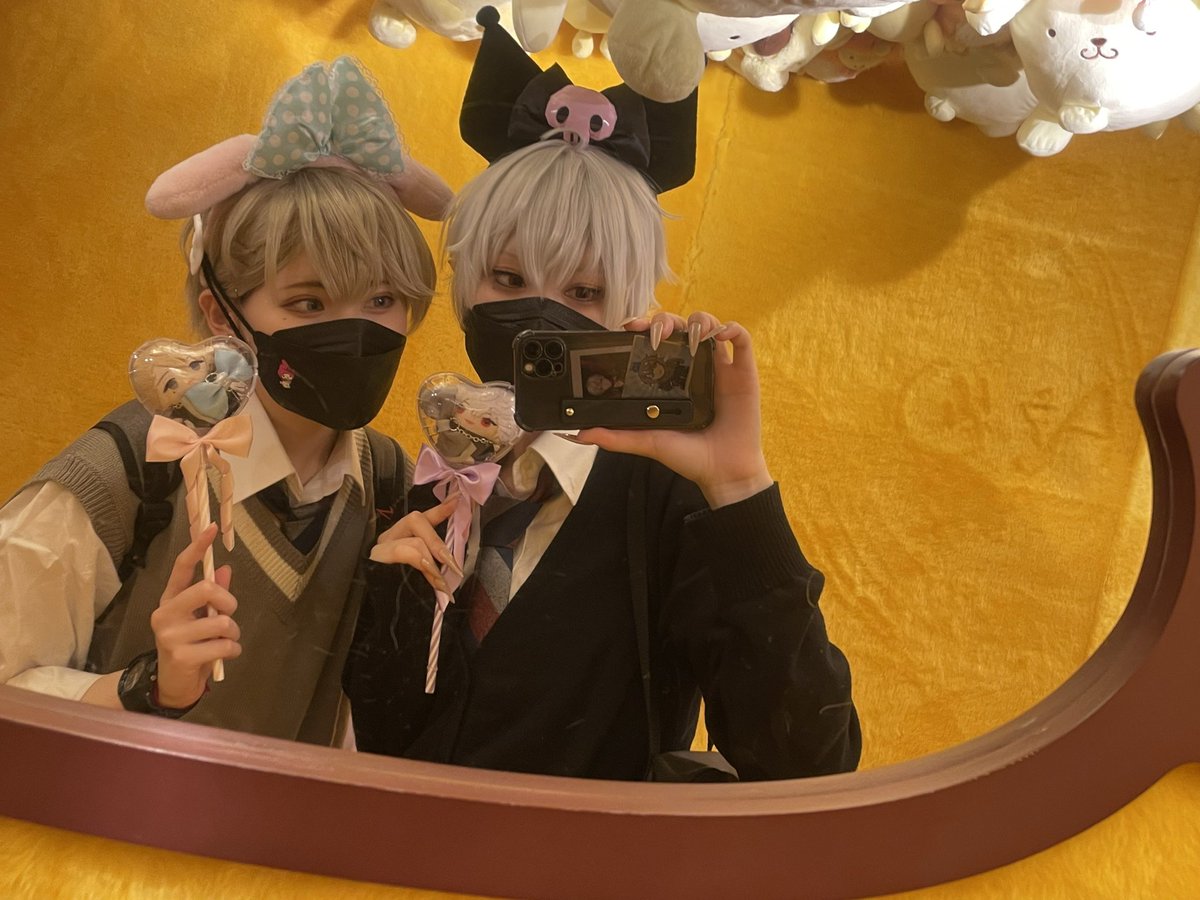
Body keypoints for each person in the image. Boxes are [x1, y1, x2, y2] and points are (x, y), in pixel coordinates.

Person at [344, 12, 861, 781]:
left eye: (583, 291)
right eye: (508, 279)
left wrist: (739, 489)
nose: (540, 314)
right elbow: (391, 740)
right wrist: (396, 610)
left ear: (628, 303)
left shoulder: (668, 503)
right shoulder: (432, 477)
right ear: (465, 280)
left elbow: (808, 762)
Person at [0, 57, 451, 746]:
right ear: (220, 314)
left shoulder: (389, 483)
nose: (358, 331)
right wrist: (144, 688)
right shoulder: (130, 469)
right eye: (308, 302)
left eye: (383, 299)